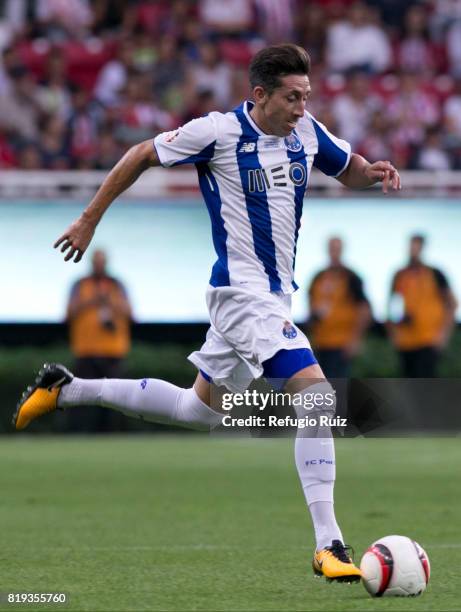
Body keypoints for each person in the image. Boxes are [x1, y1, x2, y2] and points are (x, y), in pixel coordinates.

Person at [13, 44, 401, 582]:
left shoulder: (305, 130)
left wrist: (373, 173)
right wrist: (87, 221)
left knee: (201, 412)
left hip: (269, 298)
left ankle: (67, 388)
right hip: (243, 296)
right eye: (291, 97)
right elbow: (140, 155)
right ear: (260, 94)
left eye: (306, 97)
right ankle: (328, 543)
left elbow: (347, 168)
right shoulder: (217, 132)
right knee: (315, 395)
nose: (300, 107)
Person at [65, 248, 132, 431]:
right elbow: (69, 313)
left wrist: (109, 301)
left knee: (116, 398)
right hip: (85, 350)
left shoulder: (117, 285)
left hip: (113, 351)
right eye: (96, 261)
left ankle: (115, 434)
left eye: (102, 261)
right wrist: (93, 300)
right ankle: (80, 433)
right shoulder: (80, 285)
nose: (99, 265)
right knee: (82, 397)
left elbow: (130, 313)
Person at [388, 235, 456, 377]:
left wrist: (443, 335)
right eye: (411, 246)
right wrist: (395, 331)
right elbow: (392, 306)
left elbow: (452, 304)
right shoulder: (400, 275)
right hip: (406, 341)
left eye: (417, 247)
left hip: (429, 339)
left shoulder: (435, 274)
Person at [307, 237, 371, 378]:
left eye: (337, 248)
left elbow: (364, 309)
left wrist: (355, 339)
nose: (334, 252)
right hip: (320, 343)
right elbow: (310, 305)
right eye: (331, 248)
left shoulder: (351, 277)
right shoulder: (318, 277)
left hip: (342, 344)